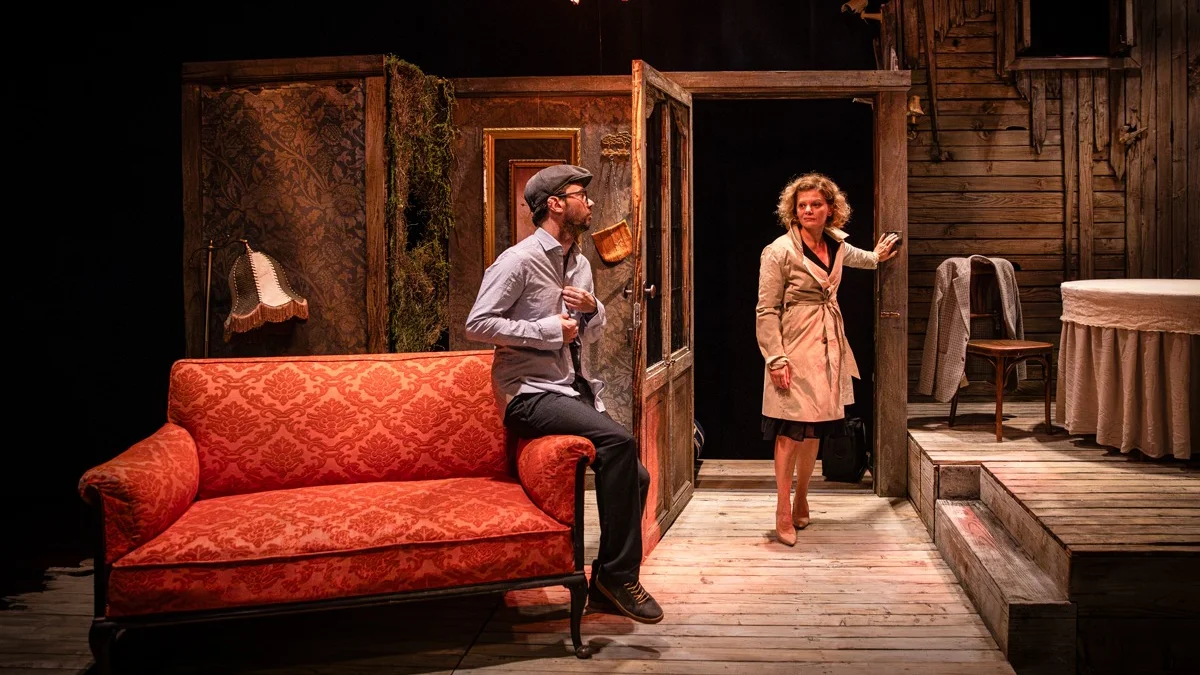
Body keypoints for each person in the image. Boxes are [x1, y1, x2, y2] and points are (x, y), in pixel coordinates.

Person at [465, 164, 662, 624]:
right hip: (527, 394)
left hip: (569, 388)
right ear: (555, 204)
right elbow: (477, 324)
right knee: (619, 441)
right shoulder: (518, 260)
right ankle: (618, 578)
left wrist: (593, 311)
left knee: (636, 477)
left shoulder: (580, 264)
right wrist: (547, 329)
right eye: (580, 195)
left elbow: (586, 334)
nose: (589, 203)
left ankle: (605, 583)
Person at [756, 173, 899, 547]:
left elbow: (861, 258)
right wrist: (776, 359)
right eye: (802, 205)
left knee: (815, 425)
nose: (808, 210)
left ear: (830, 209)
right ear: (793, 210)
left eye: (815, 204)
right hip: (794, 345)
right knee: (790, 428)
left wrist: (878, 256)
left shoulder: (836, 244)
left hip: (828, 346)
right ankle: (782, 509)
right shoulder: (779, 251)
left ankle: (803, 496)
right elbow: (766, 309)